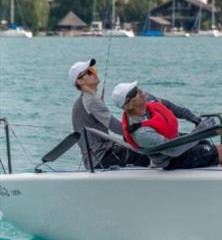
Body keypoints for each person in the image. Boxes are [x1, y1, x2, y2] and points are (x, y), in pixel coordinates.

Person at [69, 58, 199, 170]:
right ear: (80, 81)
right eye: (89, 72)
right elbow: (118, 129)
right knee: (156, 152)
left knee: (153, 143)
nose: (94, 73)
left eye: (94, 70)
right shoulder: (91, 100)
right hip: (103, 157)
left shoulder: (83, 101)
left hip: (95, 158)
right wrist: (144, 130)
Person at [112, 81, 222, 169]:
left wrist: (194, 119)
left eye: (137, 88)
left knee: (212, 145)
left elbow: (169, 106)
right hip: (171, 160)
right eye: (134, 92)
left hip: (177, 141)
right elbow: (174, 150)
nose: (140, 91)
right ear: (128, 106)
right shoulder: (141, 132)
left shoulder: (147, 100)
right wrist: (200, 132)